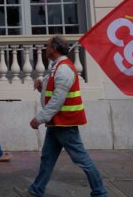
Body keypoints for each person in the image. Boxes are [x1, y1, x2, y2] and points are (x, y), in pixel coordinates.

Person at [15, 36, 107, 197]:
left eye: (48, 46)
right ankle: (36, 191)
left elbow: (58, 100)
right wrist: (41, 86)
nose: (45, 49)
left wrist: (40, 118)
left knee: (81, 159)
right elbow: (54, 91)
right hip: (57, 122)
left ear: (54, 49)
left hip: (65, 123)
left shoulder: (63, 69)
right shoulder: (57, 67)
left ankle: (100, 193)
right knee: (47, 158)